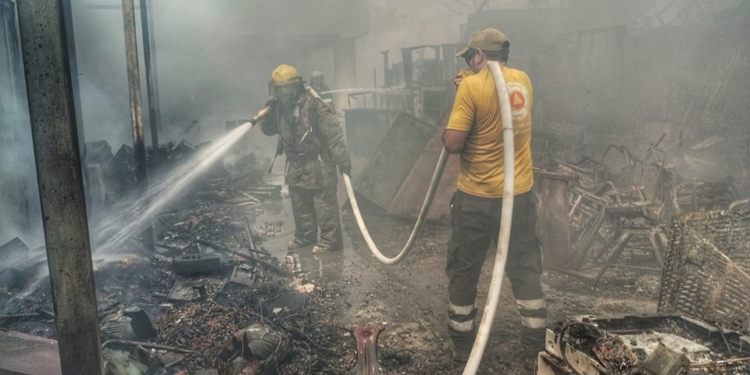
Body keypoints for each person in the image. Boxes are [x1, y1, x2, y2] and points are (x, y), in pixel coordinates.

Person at [442, 28, 546, 369]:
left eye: (470, 59)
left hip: (477, 199)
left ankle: (463, 348)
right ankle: (535, 349)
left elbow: (454, 144)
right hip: (519, 198)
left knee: (464, 270)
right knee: (525, 268)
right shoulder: (525, 81)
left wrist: (464, 94)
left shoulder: (471, 86)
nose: (470, 65)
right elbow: (500, 111)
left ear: (479, 57)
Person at [259, 64, 351, 254]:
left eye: (287, 88)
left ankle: (330, 241)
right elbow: (268, 130)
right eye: (279, 89)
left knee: (324, 206)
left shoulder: (315, 107)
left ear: (296, 87)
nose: (283, 94)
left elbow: (334, 135)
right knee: (300, 205)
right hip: (295, 165)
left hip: (318, 164)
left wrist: (343, 161)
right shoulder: (278, 110)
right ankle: (304, 237)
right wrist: (267, 111)